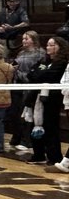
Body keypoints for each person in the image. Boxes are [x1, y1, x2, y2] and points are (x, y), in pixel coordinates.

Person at [26, 37, 69, 167]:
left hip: (52, 98)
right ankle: (38, 154)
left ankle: (55, 156)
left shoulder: (62, 63)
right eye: (48, 45)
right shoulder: (44, 60)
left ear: (59, 47)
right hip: (37, 96)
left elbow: (46, 76)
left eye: (52, 45)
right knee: (35, 124)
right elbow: (32, 74)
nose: (48, 48)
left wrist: (40, 73)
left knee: (50, 127)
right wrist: (40, 72)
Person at [9, 30, 45, 153]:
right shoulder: (21, 53)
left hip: (29, 86)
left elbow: (36, 72)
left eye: (27, 39)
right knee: (16, 112)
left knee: (27, 113)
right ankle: (17, 137)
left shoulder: (40, 53)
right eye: (23, 39)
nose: (24, 41)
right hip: (18, 85)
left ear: (33, 40)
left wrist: (19, 72)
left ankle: (27, 140)